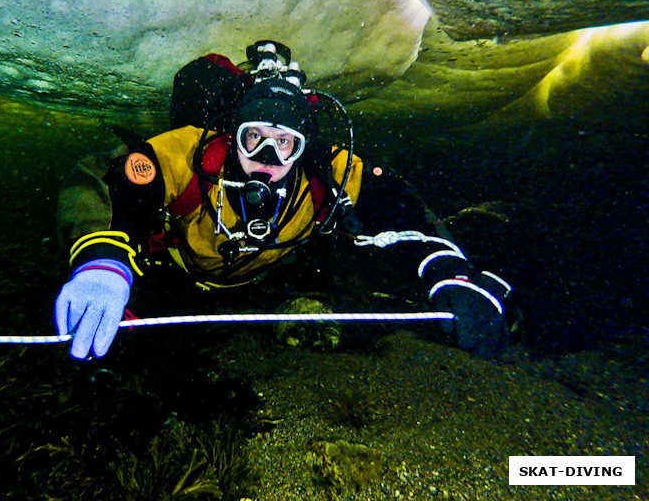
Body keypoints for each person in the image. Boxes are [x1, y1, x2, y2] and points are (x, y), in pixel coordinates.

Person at [54, 41, 511, 360]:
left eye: (285, 144)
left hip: (264, 282)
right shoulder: (197, 151)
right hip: (173, 273)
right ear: (233, 140)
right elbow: (104, 178)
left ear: (304, 148)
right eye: (254, 139)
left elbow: (397, 204)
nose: (267, 160)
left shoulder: (324, 172)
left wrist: (450, 273)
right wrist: (101, 260)